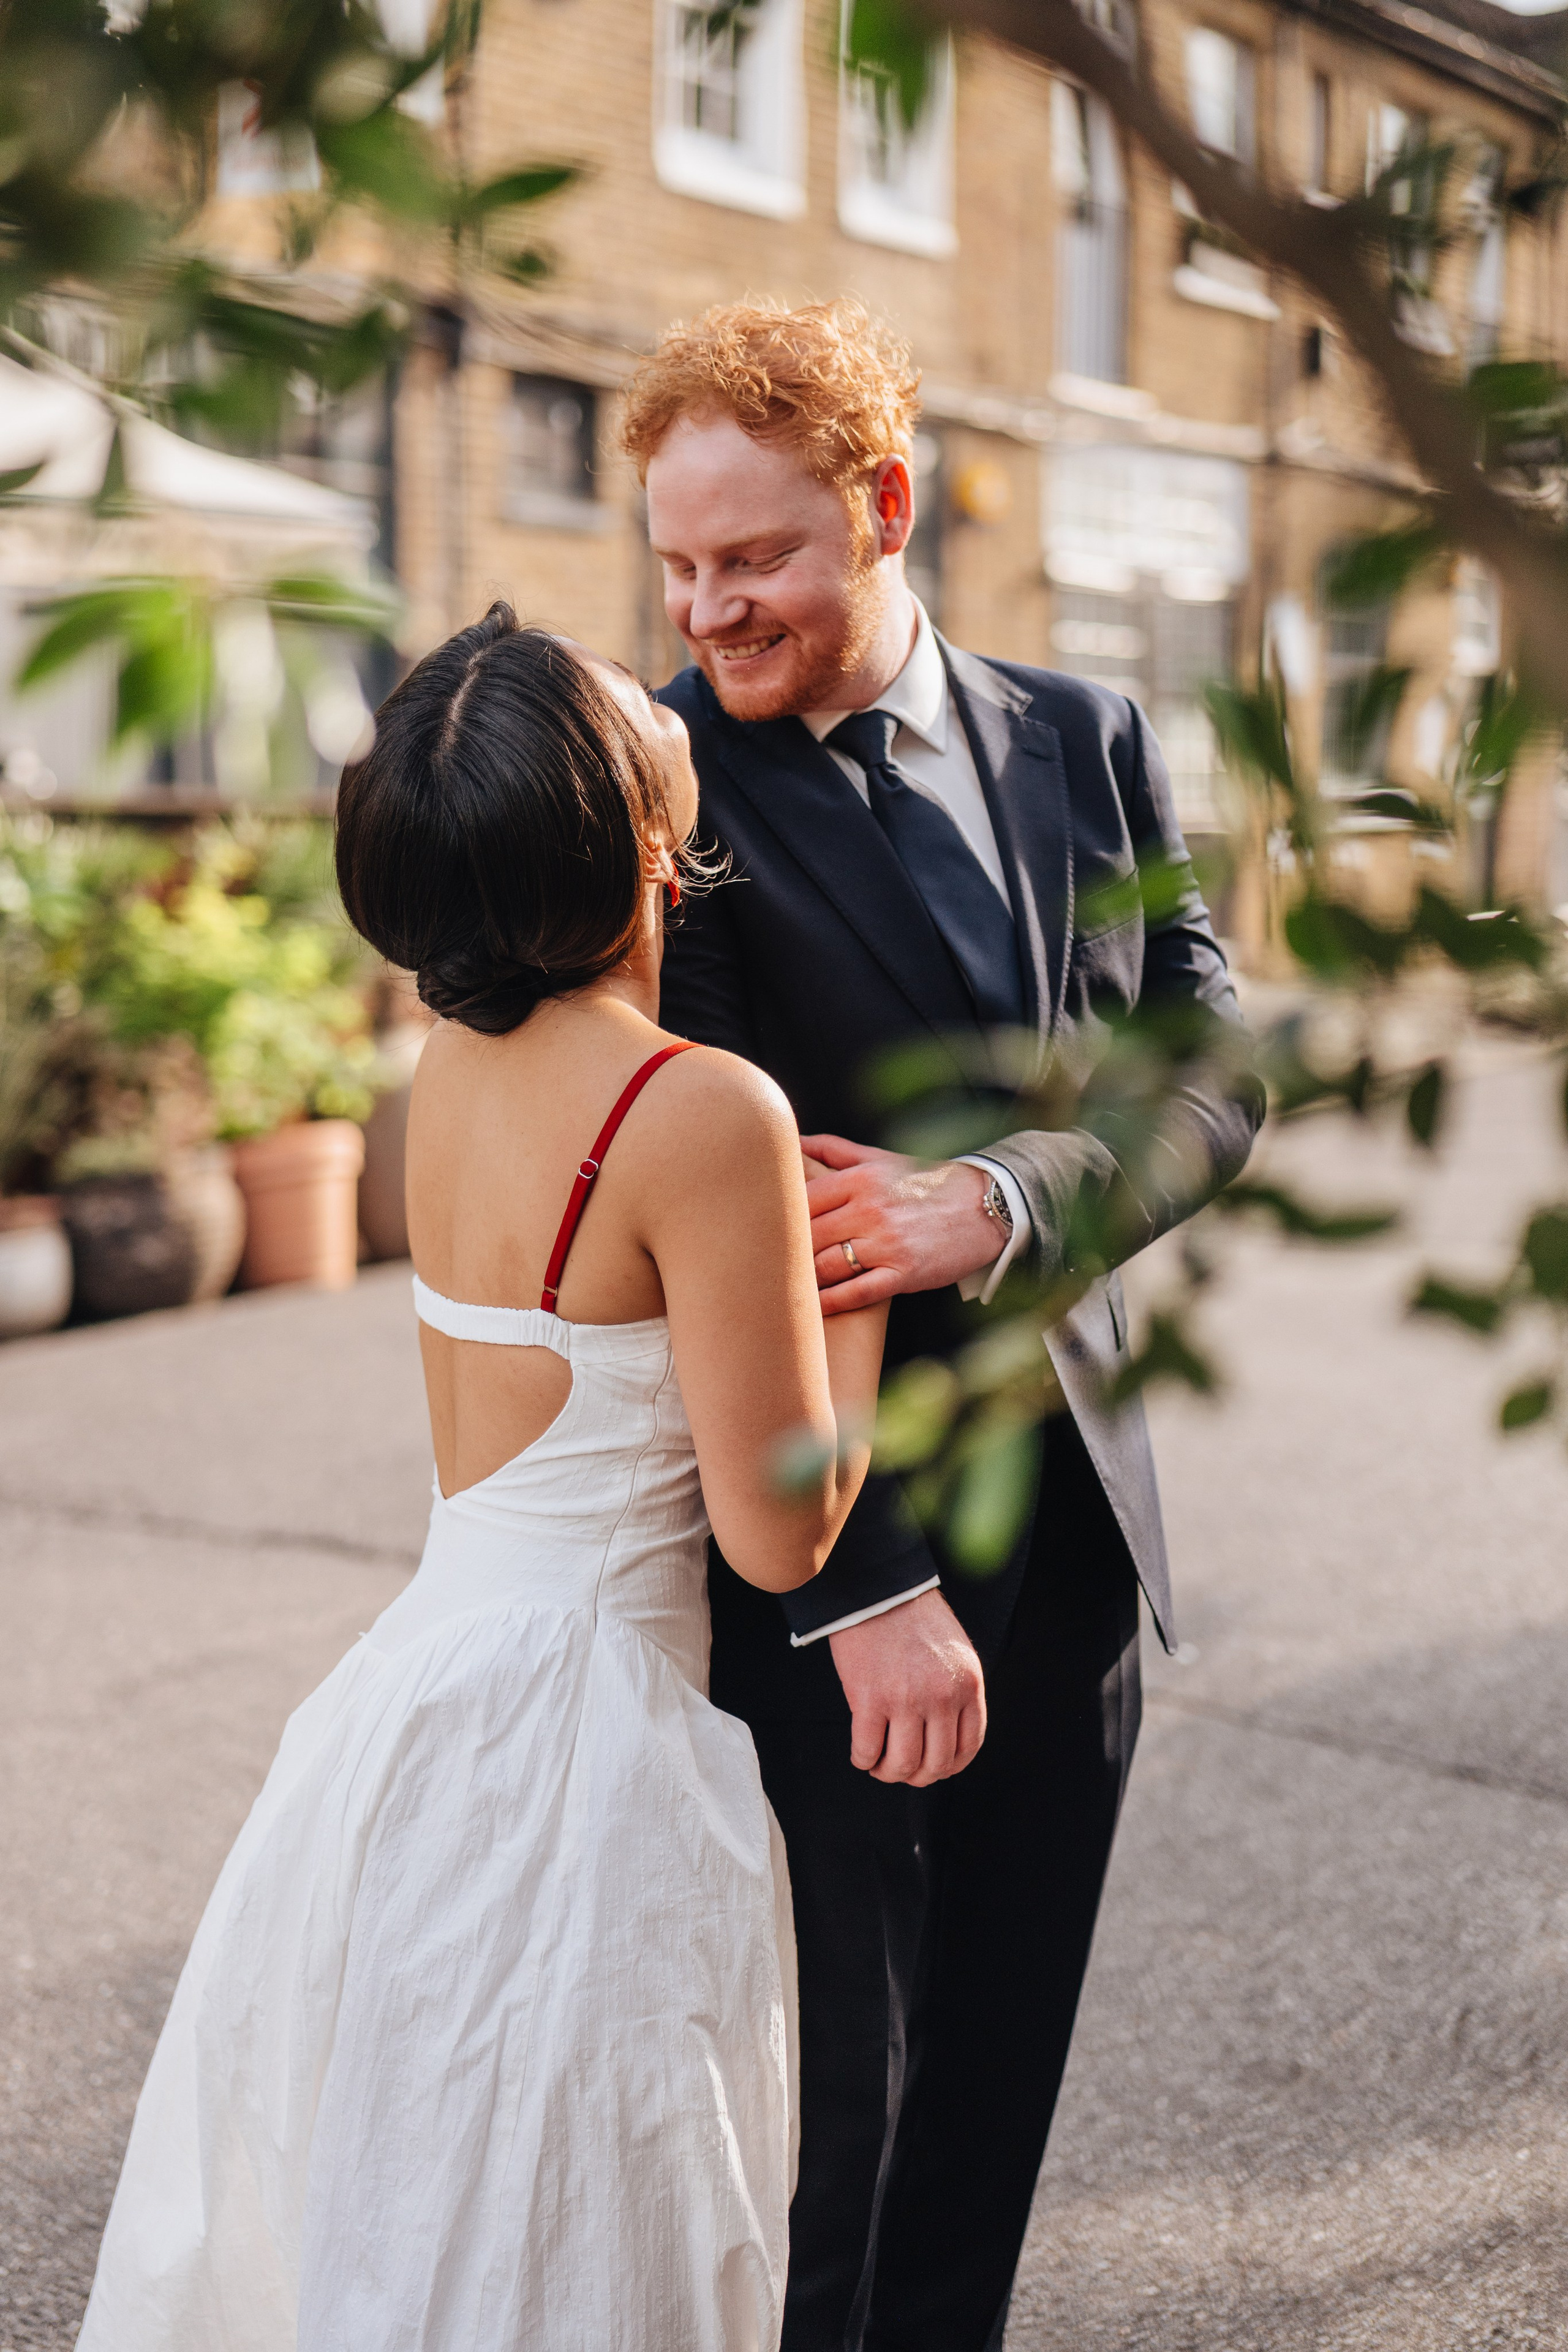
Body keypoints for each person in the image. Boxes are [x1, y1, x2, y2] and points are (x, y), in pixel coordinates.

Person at [74, 610, 888, 2351]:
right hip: (584, 1749)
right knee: (573, 2239)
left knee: (401, 2205)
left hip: (420, 1695)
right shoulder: (699, 1110)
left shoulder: (447, 1064)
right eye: (622, 709)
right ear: (632, 834)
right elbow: (778, 1529)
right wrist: (868, 1305)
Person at [627, 296, 1265, 2352]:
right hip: (841, 1564)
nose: (710, 610)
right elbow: (704, 1262)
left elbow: (1215, 1061)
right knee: (847, 2130)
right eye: (682, 564)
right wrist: (851, 1589)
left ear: (887, 508)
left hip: (1078, 1541)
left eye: (758, 560)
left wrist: (1009, 1199)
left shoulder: (1087, 737)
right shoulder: (660, 794)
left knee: (992, 2100)